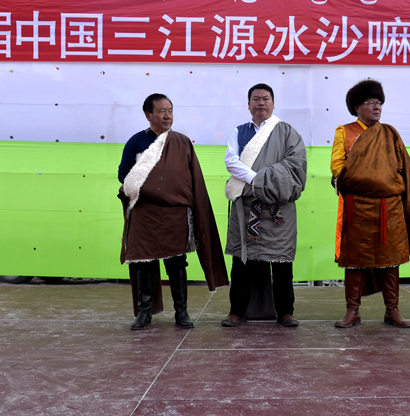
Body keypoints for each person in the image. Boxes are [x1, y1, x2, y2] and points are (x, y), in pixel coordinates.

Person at [331, 79, 410, 328]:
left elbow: (402, 172)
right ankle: (353, 311)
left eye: (379, 103)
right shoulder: (344, 131)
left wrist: (381, 182)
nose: (376, 107)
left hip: (389, 208)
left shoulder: (390, 133)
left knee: (390, 259)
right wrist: (365, 179)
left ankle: (392, 310)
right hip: (357, 208)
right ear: (357, 107)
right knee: (355, 260)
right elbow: (338, 169)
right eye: (370, 103)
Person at [117, 93, 229, 330]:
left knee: (177, 263)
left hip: (176, 213)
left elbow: (191, 178)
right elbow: (124, 176)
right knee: (145, 263)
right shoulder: (136, 142)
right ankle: (144, 313)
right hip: (145, 212)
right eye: (161, 111)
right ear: (148, 115)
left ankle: (182, 312)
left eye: (170, 110)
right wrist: (149, 188)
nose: (167, 115)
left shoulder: (182, 142)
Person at [221, 83, 307, 328]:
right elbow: (231, 162)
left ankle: (285, 312)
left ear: (273, 103)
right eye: (256, 99)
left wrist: (259, 181)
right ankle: (237, 311)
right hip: (247, 208)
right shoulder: (239, 132)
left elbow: (295, 166)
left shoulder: (288, 132)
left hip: (278, 209)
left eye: (265, 98)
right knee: (242, 262)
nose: (260, 103)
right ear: (248, 104)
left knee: (281, 262)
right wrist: (258, 180)